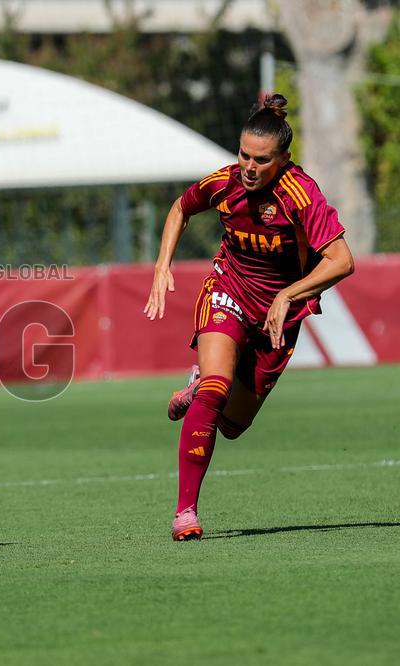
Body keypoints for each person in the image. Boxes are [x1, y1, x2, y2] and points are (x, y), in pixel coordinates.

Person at [143, 93, 355, 541]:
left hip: (278, 318)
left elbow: (341, 260)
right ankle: (186, 513)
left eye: (261, 159)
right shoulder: (225, 182)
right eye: (243, 155)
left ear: (284, 160)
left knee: (233, 426)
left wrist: (288, 296)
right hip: (228, 291)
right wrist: (163, 264)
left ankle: (201, 385)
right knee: (217, 390)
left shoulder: (301, 194)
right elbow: (181, 207)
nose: (249, 167)